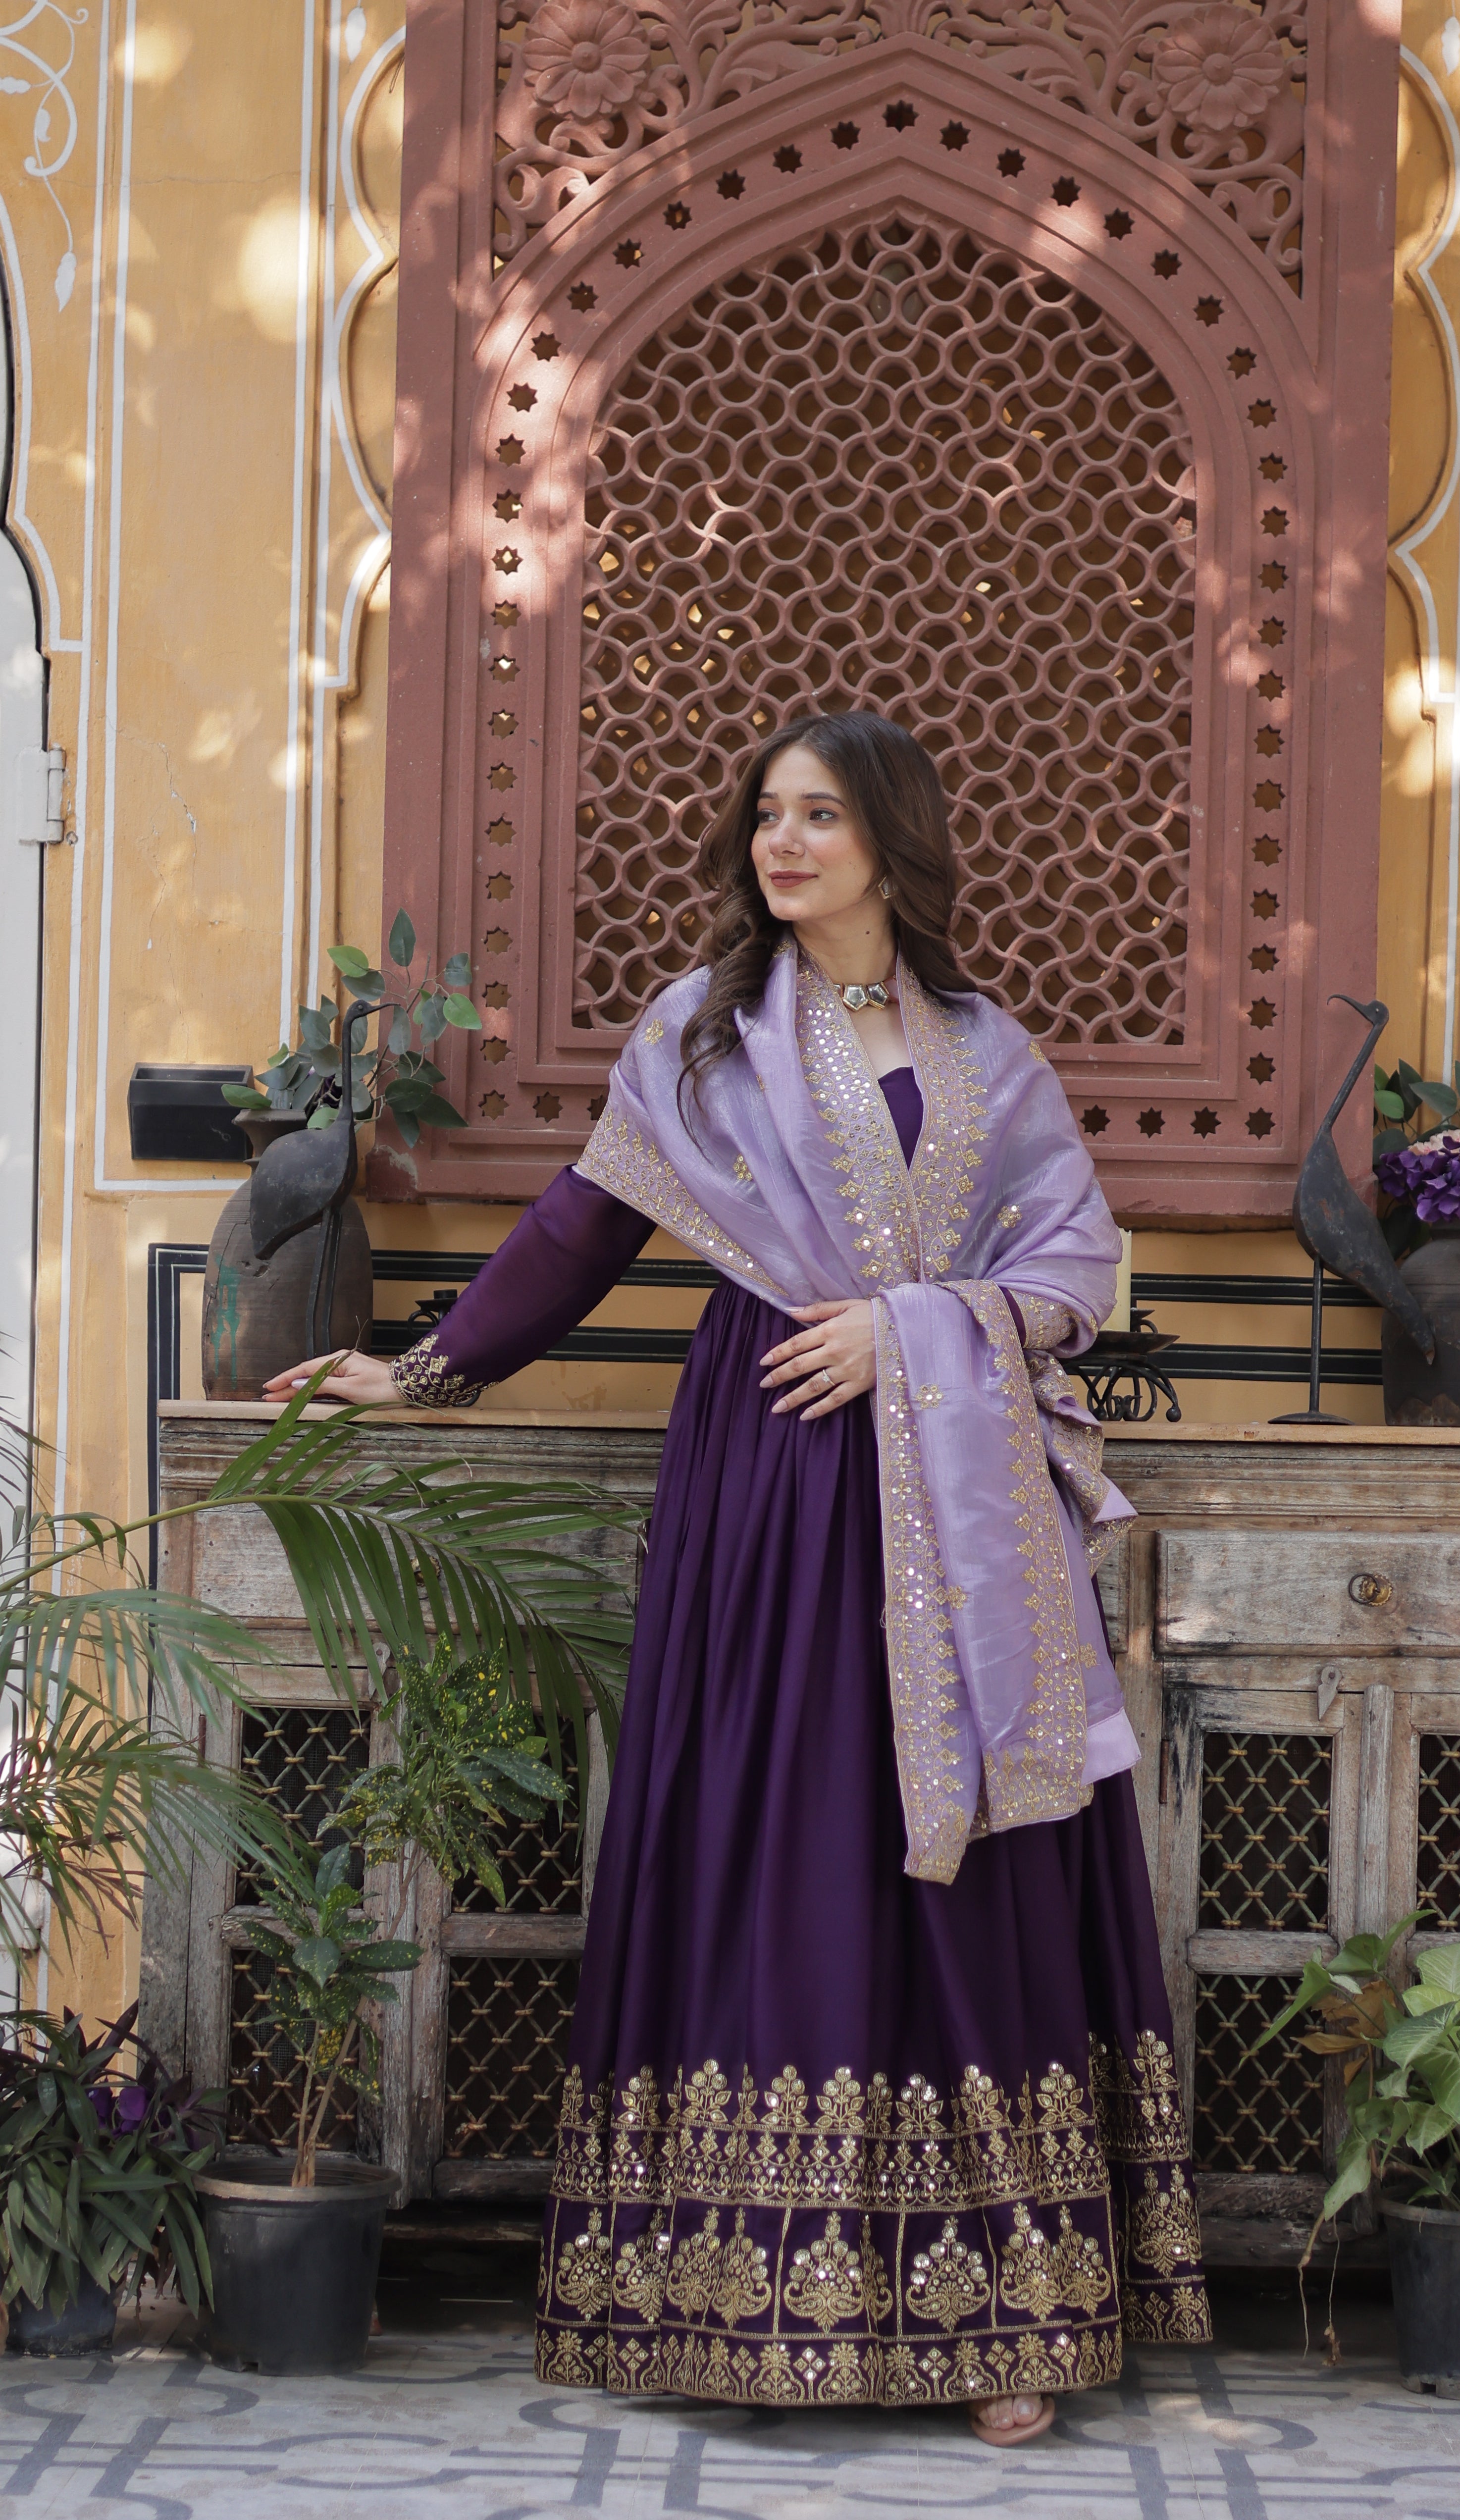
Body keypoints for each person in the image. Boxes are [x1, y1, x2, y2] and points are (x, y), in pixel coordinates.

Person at [269, 711, 1211, 2442]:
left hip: (959, 1506)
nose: (785, 843)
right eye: (768, 815)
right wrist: (418, 1369)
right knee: (785, 1840)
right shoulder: (704, 1041)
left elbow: (1078, 1259)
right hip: (774, 1494)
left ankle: (1002, 2322)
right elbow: (576, 1228)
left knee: (972, 1866)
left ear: (892, 842)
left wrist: (919, 1329)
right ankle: (727, 2293)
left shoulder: (992, 1053)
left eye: (822, 815)